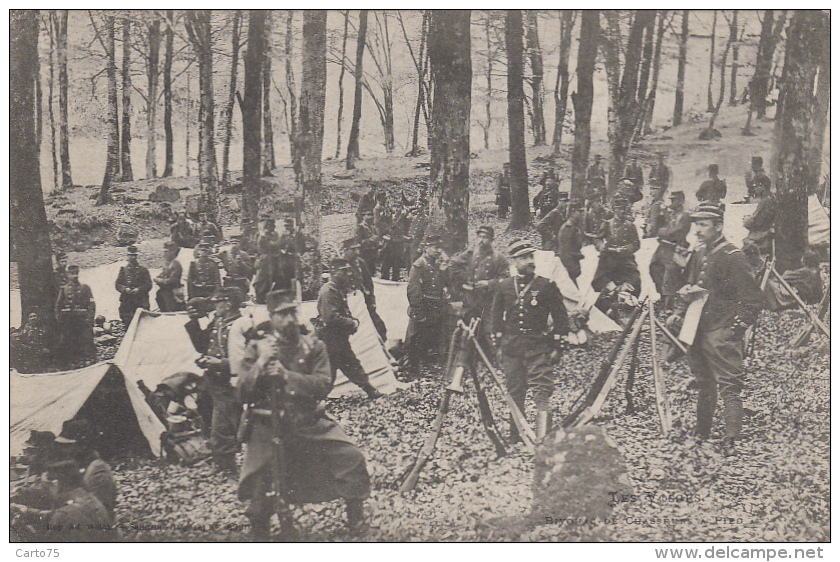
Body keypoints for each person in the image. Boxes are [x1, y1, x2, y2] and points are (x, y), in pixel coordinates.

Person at [235, 290, 372, 540]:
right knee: (260, 479)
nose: (289, 319)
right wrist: (261, 364)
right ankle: (260, 530)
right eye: (282, 314)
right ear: (272, 316)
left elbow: (323, 383)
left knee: (349, 457)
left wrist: (288, 377)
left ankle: (356, 517)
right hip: (267, 424)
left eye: (292, 312)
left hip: (307, 421)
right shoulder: (257, 347)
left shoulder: (313, 345)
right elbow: (241, 392)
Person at [668, 202, 764, 454]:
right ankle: (702, 433)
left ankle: (732, 438)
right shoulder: (700, 253)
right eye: (696, 224)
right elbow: (690, 284)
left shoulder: (734, 256)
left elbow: (753, 300)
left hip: (721, 330)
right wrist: (680, 307)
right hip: (697, 329)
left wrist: (735, 329)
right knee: (704, 382)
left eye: (703, 225)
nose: (698, 230)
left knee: (729, 384)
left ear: (718, 226)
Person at [491, 239, 569, 441]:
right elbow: (496, 320)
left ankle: (543, 437)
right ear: (514, 261)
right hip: (512, 349)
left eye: (531, 257)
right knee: (515, 391)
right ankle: (517, 435)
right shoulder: (504, 287)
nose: (529, 261)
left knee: (541, 391)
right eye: (524, 258)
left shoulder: (546, 286)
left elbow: (561, 320)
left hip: (538, 348)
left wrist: (557, 348)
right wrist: (498, 347)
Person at [184, 286, 245, 473]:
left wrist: (220, 363)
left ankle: (227, 466)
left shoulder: (241, 325)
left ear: (228, 304)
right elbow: (203, 345)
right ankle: (218, 458)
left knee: (223, 423)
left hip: (226, 381)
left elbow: (245, 360)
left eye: (218, 301)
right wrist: (194, 322)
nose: (214, 305)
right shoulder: (218, 321)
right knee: (207, 415)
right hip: (211, 379)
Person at [315, 259, 383, 399]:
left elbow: (342, 312)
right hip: (330, 339)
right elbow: (331, 317)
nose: (348, 274)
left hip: (338, 339)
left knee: (351, 365)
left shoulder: (337, 289)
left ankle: (370, 391)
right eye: (343, 271)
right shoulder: (328, 291)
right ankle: (314, 401)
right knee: (331, 372)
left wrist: (352, 320)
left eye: (348, 271)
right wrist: (351, 323)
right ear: (334, 272)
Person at [449, 225, 509, 349]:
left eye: (485, 237)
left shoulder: (499, 258)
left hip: (489, 302)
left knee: (490, 332)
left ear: (491, 240)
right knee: (467, 332)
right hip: (471, 300)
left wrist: (489, 283)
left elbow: (505, 280)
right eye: (479, 237)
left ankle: (494, 362)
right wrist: (466, 280)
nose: (481, 240)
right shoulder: (470, 254)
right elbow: (453, 265)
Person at [404, 233, 452, 378]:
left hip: (435, 305)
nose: (438, 251)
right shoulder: (419, 265)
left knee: (430, 336)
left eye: (440, 248)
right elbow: (413, 290)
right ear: (426, 248)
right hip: (423, 306)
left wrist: (445, 269)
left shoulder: (436, 264)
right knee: (416, 337)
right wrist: (418, 311)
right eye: (435, 248)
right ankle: (412, 369)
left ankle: (426, 365)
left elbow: (447, 283)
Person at [592, 197, 642, 300]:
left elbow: (636, 243)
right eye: (620, 208)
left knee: (635, 279)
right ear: (615, 210)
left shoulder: (631, 226)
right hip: (609, 259)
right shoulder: (607, 224)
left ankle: (626, 299)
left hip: (625, 259)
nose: (623, 211)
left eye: (624, 208)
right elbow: (597, 239)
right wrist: (601, 246)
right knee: (602, 281)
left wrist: (627, 249)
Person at [649, 191, 691, 305]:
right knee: (654, 269)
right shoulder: (668, 214)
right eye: (671, 200)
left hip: (675, 249)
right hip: (662, 247)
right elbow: (654, 229)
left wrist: (662, 231)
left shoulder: (685, 216)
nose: (671, 203)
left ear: (680, 201)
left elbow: (677, 232)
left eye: (674, 200)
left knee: (670, 275)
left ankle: (668, 304)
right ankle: (662, 297)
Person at [343, 239, 388, 341]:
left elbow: (368, 283)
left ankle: (381, 341)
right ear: (346, 250)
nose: (356, 252)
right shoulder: (340, 265)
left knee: (377, 325)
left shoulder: (360, 263)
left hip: (363, 298)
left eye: (357, 249)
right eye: (353, 250)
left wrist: (371, 299)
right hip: (348, 301)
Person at [54, 265, 96, 365]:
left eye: (76, 273)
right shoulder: (64, 289)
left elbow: (92, 304)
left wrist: (89, 318)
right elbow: (58, 306)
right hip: (69, 321)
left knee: (86, 339)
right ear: (68, 275)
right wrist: (61, 319)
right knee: (68, 340)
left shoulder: (85, 288)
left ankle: (89, 360)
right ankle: (71, 362)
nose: (75, 276)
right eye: (72, 274)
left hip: (83, 320)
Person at [114, 245, 152, 327]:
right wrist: (125, 289)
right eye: (130, 255)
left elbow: (149, 284)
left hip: (140, 300)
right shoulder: (123, 270)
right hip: (127, 301)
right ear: (127, 256)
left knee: (142, 324)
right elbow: (117, 284)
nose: (133, 257)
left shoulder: (143, 270)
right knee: (127, 322)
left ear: (137, 256)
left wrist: (139, 289)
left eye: (134, 255)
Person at [253, 217, 288, 303]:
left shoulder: (274, 234)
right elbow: (273, 245)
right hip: (266, 262)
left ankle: (274, 297)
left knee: (281, 280)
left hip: (275, 261)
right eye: (272, 225)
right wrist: (283, 239)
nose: (274, 227)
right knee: (263, 282)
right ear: (268, 226)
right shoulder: (263, 237)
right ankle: (261, 298)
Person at [558, 200, 586, 286]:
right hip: (569, 269)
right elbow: (565, 251)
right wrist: (572, 268)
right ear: (573, 211)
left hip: (572, 267)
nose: (582, 214)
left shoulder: (575, 226)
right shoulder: (568, 228)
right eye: (580, 211)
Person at [379, 205, 410, 281]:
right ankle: (384, 278)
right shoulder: (388, 217)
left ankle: (395, 278)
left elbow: (406, 229)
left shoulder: (404, 218)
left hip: (398, 243)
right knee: (386, 262)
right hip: (389, 243)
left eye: (399, 207)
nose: (397, 209)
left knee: (396, 262)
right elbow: (383, 227)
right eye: (395, 207)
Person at [155, 241, 185, 312]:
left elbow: (172, 281)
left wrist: (160, 280)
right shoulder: (167, 264)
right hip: (165, 291)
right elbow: (162, 274)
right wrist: (158, 278)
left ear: (172, 252)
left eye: (166, 252)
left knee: (172, 309)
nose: (164, 254)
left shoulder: (176, 264)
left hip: (173, 293)